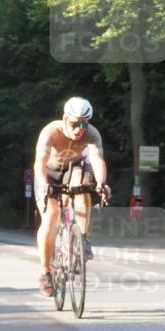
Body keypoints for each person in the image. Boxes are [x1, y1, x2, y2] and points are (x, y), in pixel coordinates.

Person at [34, 97, 111, 296]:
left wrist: (102, 183)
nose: (80, 129)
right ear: (65, 118)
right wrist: (44, 185)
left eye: (84, 123)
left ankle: (82, 238)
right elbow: (39, 162)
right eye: (75, 124)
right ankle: (45, 272)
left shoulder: (92, 134)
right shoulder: (51, 131)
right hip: (48, 171)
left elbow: (96, 159)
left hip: (73, 168)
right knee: (51, 216)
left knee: (84, 190)